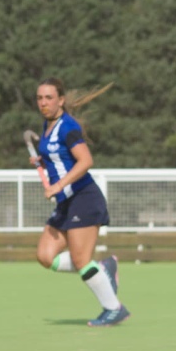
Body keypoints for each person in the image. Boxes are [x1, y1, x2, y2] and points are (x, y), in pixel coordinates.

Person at [31, 78, 129, 327]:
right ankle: (103, 268)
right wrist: (43, 162)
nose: (43, 102)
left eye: (49, 98)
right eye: (40, 98)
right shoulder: (48, 125)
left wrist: (58, 185)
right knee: (45, 256)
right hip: (66, 203)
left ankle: (113, 308)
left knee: (81, 260)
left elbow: (85, 161)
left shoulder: (68, 127)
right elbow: (59, 157)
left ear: (60, 100)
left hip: (84, 199)